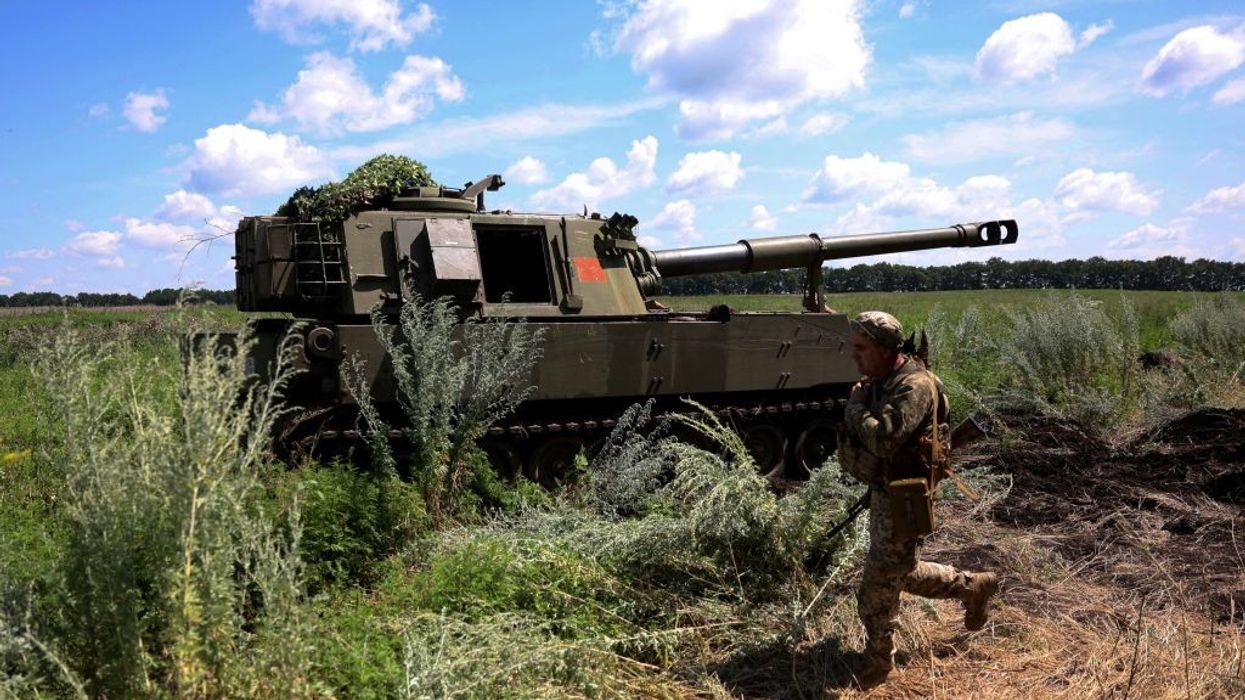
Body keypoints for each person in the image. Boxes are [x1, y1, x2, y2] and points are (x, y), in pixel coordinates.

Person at [838, 311, 998, 686]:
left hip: (905, 495)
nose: (853, 355)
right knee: (899, 569)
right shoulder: (884, 378)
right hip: (889, 489)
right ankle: (970, 586)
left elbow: (884, 439)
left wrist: (856, 407)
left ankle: (878, 664)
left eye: (860, 348)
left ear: (881, 348)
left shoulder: (914, 386)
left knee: (878, 585)